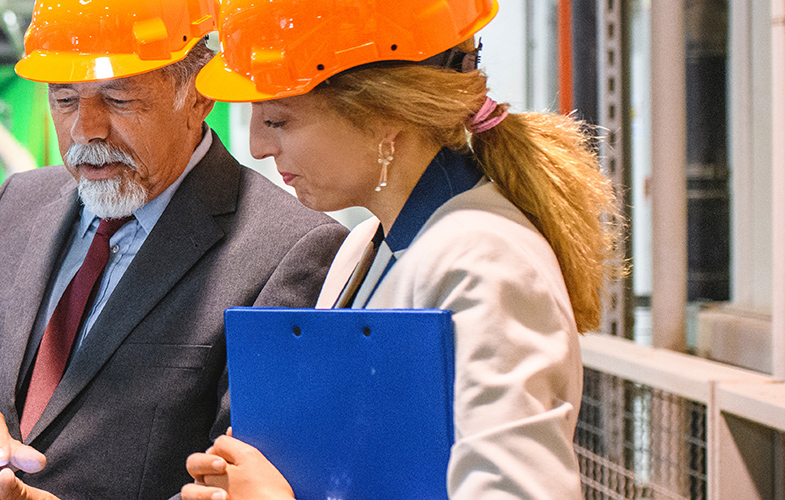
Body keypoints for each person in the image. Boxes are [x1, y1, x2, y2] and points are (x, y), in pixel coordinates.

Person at [0, 0, 349, 498]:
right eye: (65, 100)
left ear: (198, 98)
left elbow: (237, 481)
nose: (86, 130)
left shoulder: (292, 251)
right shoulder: (16, 204)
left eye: (117, 100)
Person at [178, 0, 618, 499]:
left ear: (385, 116)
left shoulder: (487, 262)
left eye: (278, 120)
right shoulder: (365, 247)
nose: (257, 145)